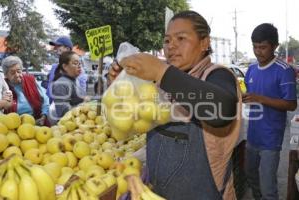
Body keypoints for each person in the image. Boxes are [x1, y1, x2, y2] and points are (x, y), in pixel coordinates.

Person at [109, 10, 242, 200]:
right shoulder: (161, 84)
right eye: (167, 40)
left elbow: (222, 111)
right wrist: (120, 85)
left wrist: (161, 71)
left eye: (181, 38)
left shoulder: (217, 76)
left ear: (204, 43)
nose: (171, 46)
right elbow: (132, 120)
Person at [243, 23, 297, 200]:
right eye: (255, 47)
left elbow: (291, 104)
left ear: (275, 46)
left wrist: (260, 98)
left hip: (270, 139)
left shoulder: (284, 71)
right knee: (250, 176)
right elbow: (250, 95)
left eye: (263, 47)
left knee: (268, 187)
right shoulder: (250, 70)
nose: (258, 52)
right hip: (252, 136)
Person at [1, 56, 50, 125]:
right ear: (6, 75)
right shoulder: (3, 87)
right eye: (12, 73)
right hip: (13, 127)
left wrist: (44, 116)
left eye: (18, 71)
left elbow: (45, 100)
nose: (17, 75)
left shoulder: (30, 80)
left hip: (38, 122)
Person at [47, 36, 87, 103]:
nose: (55, 48)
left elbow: (81, 94)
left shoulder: (78, 69)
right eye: (55, 46)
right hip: (53, 109)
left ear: (67, 49)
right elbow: (49, 91)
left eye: (58, 46)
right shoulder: (54, 67)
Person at [52, 51, 87, 118]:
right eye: (75, 63)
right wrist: (83, 105)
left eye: (80, 63)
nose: (79, 66)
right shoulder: (61, 84)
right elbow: (63, 112)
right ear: (65, 66)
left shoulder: (75, 80)